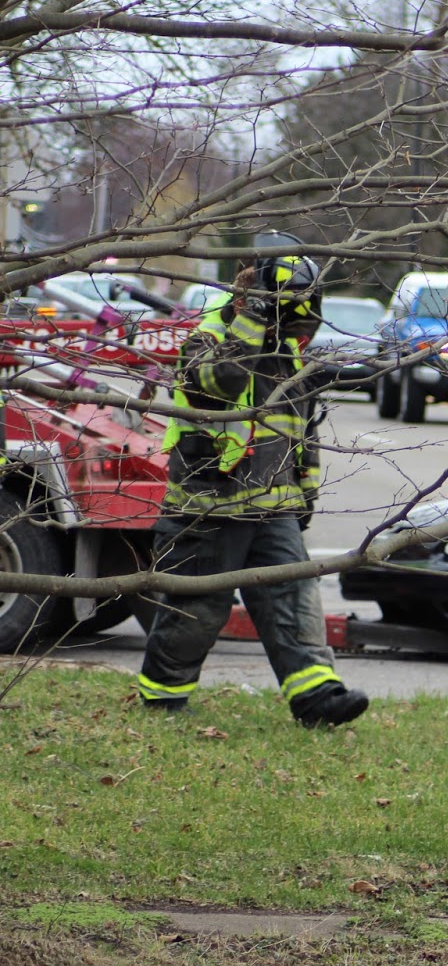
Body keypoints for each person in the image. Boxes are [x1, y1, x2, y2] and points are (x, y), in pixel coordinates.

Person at [136, 235, 368, 727]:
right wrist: (253, 319)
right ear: (246, 298)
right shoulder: (208, 338)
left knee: (296, 601)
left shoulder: (289, 352)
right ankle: (162, 698)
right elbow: (219, 387)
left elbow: (302, 432)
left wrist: (305, 496)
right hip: (208, 511)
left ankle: (317, 699)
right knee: (196, 611)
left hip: (274, 510)